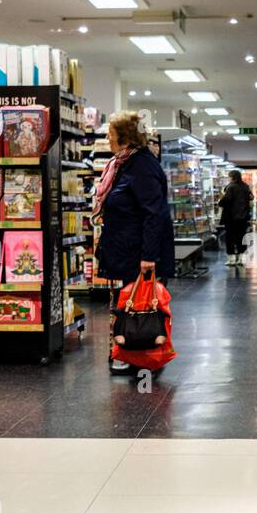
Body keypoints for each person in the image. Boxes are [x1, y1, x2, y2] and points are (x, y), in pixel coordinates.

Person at [93, 111, 176, 375]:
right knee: (131, 303)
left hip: (138, 252)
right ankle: (131, 353)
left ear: (124, 137)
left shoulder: (141, 166)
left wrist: (148, 256)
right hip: (127, 248)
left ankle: (144, 356)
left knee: (141, 304)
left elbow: (155, 213)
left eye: (110, 134)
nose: (107, 138)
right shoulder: (124, 163)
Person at [217, 169, 253, 267]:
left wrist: (219, 201)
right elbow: (251, 197)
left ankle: (232, 259)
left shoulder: (230, 187)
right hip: (243, 217)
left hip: (231, 217)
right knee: (241, 237)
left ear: (232, 177)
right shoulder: (246, 186)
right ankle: (241, 258)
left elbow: (226, 200)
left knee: (230, 237)